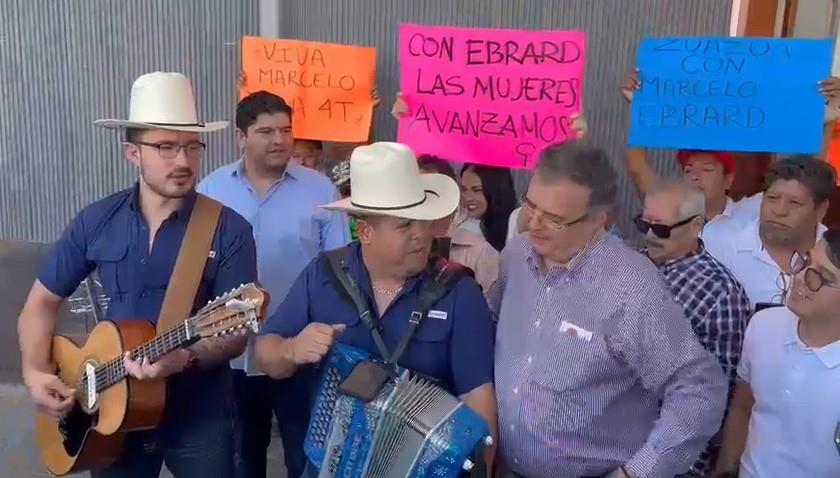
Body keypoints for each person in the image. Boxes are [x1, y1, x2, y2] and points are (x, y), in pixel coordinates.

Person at [17, 72, 258, 477]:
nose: (182, 161)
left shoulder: (228, 229)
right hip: (111, 411)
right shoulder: (96, 220)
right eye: (165, 147)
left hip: (200, 416)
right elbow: (40, 303)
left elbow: (235, 332)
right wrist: (35, 373)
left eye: (191, 147)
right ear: (133, 153)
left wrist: (182, 358)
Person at [254, 142, 498, 475]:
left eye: (423, 221)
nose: (421, 235)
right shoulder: (323, 275)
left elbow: (477, 397)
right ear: (366, 231)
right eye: (404, 226)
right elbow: (265, 353)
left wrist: (480, 471)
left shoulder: (459, 293)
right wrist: (292, 349)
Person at [489, 141, 727, 478]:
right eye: (531, 205)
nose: (535, 224)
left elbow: (699, 389)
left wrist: (638, 472)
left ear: (598, 219)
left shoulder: (631, 286)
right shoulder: (515, 257)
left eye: (555, 219)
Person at [198, 91, 349, 478]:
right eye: (266, 131)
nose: (280, 140)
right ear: (240, 137)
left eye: (286, 130)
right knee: (241, 459)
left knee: (305, 458)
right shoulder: (210, 193)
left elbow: (340, 274)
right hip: (229, 353)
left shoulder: (321, 193)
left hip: (298, 351)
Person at [620, 70, 840, 230]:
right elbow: (636, 164)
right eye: (688, 170)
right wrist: (638, 106)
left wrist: (827, 117)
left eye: (707, 169)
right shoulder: (667, 205)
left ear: (728, 179)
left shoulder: (752, 212)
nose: (695, 177)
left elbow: (806, 181)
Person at [637, 180, 751, 476]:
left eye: (661, 228)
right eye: (643, 224)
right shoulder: (631, 265)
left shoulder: (721, 294)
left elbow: (717, 397)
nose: (650, 235)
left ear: (695, 225)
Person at [713, 230, 840, 477]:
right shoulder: (763, 325)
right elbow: (743, 407)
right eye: (805, 261)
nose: (801, 277)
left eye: (822, 277)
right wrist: (725, 470)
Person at [704, 156, 835, 308]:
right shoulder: (716, 240)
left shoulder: (834, 256)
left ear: (821, 210)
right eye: (772, 198)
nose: (779, 211)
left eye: (795, 203)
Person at [417, 154, 500, 292]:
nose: (423, 199)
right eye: (417, 190)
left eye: (431, 191)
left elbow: (489, 310)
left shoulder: (481, 253)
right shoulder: (399, 245)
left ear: (450, 195)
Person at [455, 164, 519, 252]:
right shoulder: (462, 226)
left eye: (477, 190)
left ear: (496, 190)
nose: (468, 197)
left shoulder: (515, 229)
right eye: (464, 189)